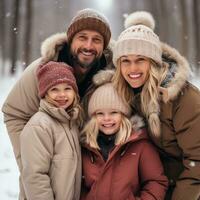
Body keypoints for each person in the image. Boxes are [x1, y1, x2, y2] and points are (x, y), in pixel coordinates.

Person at [2, 8, 112, 199]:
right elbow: (14, 113)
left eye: (96, 40)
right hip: (48, 181)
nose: (88, 45)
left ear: (104, 46)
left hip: (85, 180)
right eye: (82, 37)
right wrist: (30, 161)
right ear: (70, 40)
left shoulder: (110, 76)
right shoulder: (42, 70)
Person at [110, 11, 200, 200]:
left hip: (183, 189)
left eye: (140, 60)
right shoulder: (121, 95)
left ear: (153, 63)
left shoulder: (183, 98)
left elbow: (197, 161)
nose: (132, 69)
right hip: (152, 188)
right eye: (125, 61)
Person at [80, 80, 168, 200]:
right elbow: (80, 185)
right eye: (100, 113)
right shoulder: (86, 147)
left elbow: (156, 182)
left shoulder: (140, 145)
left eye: (113, 112)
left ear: (124, 115)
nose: (107, 118)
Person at [20, 61, 82, 200]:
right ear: (44, 93)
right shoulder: (39, 126)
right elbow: (35, 176)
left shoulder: (72, 122)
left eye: (67, 88)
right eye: (54, 89)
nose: (62, 95)